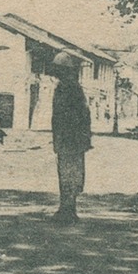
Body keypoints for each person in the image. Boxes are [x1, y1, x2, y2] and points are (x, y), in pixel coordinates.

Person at [50, 54, 92, 223]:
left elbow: (72, 116)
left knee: (68, 173)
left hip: (69, 138)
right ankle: (67, 208)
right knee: (71, 173)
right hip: (73, 139)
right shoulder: (73, 87)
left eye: (58, 69)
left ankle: (68, 210)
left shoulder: (67, 87)